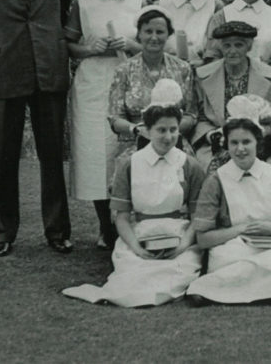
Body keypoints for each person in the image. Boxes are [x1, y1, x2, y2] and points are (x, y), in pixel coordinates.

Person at [62, 80, 206, 307]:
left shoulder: (190, 165)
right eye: (161, 130)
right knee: (131, 271)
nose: (168, 137)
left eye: (173, 130)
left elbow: (197, 217)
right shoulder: (130, 164)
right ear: (147, 131)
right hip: (139, 234)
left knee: (178, 270)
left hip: (179, 235)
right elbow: (121, 217)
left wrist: (182, 246)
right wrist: (137, 248)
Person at [0, 0, 74, 256]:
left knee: (53, 154)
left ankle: (57, 231)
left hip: (48, 66)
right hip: (2, 67)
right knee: (1, 155)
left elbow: (61, 7)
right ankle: (0, 231)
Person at [187, 116, 271, 304]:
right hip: (232, 248)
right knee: (237, 264)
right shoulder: (216, 180)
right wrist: (239, 230)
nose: (240, 149)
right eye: (233, 142)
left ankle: (227, 289)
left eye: (246, 142)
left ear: (258, 144)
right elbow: (202, 239)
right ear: (226, 145)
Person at [67, 0, 145, 250]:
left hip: (128, 82)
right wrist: (90, 48)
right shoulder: (83, 3)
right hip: (92, 86)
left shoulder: (139, 2)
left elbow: (150, 42)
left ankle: (127, 222)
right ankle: (105, 227)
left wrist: (129, 42)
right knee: (96, 155)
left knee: (124, 152)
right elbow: (69, 45)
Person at [192, 21, 271, 172]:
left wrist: (261, 132)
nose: (232, 51)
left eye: (239, 45)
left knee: (267, 175)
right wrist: (211, 135)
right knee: (211, 172)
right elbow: (201, 118)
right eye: (227, 45)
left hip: (259, 145)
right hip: (216, 145)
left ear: (249, 47)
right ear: (220, 47)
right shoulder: (203, 77)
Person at [108, 6, 197, 163]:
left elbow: (190, 114)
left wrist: (168, 132)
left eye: (160, 32)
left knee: (191, 171)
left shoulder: (183, 68)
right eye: (148, 31)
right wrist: (136, 129)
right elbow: (115, 118)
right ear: (139, 35)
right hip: (135, 142)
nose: (154, 37)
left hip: (175, 142)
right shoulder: (124, 70)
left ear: (168, 35)